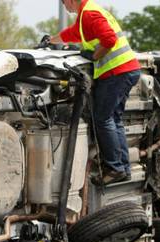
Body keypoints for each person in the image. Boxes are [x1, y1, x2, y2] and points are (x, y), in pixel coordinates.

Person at [50, 0, 141, 185]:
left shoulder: (90, 14)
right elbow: (73, 33)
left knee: (102, 118)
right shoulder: (86, 14)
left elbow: (109, 39)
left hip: (117, 72)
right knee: (114, 119)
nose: (64, 5)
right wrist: (52, 40)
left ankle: (115, 168)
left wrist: (94, 56)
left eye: (63, 1)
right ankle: (123, 168)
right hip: (126, 70)